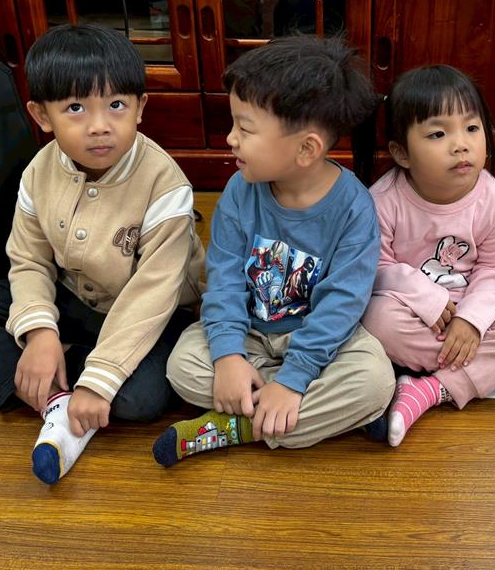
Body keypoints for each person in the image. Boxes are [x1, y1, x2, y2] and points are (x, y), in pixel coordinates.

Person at [0, 24, 204, 483]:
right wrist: (41, 331)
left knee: (143, 398)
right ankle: (58, 389)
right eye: (76, 108)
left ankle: (43, 378)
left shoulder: (166, 186)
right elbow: (29, 259)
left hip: (155, 316)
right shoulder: (38, 171)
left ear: (141, 108)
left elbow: (152, 296)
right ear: (41, 115)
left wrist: (101, 378)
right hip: (77, 302)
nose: (99, 126)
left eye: (116, 105)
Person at [152, 35, 395, 466]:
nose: (231, 139)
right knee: (183, 366)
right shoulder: (239, 190)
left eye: (245, 129)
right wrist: (228, 356)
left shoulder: (354, 207)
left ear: (306, 149)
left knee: (375, 380)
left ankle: (233, 426)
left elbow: (341, 305)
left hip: (317, 341)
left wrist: (295, 378)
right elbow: (224, 281)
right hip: (250, 333)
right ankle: (293, 414)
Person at [361, 66, 495, 446]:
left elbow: (494, 268)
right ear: (402, 153)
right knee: (376, 319)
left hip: (472, 305)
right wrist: (424, 297)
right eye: (438, 134)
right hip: (409, 308)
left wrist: (471, 321)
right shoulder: (382, 200)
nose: (461, 145)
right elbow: (374, 269)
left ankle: (429, 389)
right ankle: (492, 368)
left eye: (472, 128)